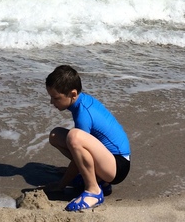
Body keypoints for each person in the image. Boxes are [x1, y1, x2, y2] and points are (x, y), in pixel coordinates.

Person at [44, 64, 131, 211]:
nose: (52, 102)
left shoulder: (83, 113)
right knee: (55, 135)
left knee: (74, 137)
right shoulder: (81, 101)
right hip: (108, 159)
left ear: (73, 94)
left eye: (56, 98)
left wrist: (61, 184)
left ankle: (93, 190)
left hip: (118, 166)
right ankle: (100, 181)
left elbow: (78, 150)